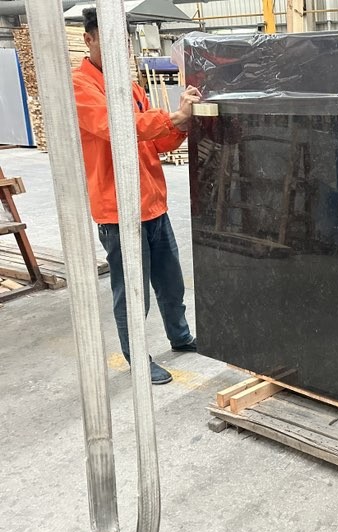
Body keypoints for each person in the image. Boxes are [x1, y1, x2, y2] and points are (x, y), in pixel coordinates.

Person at [73, 8, 200, 385]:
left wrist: (183, 125)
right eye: (109, 40)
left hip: (153, 204)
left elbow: (155, 142)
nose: (121, 49)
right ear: (89, 39)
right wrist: (173, 117)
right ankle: (137, 359)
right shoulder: (81, 86)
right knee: (132, 294)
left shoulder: (131, 88)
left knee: (171, 283)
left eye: (124, 41)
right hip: (119, 211)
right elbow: (116, 127)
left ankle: (180, 337)